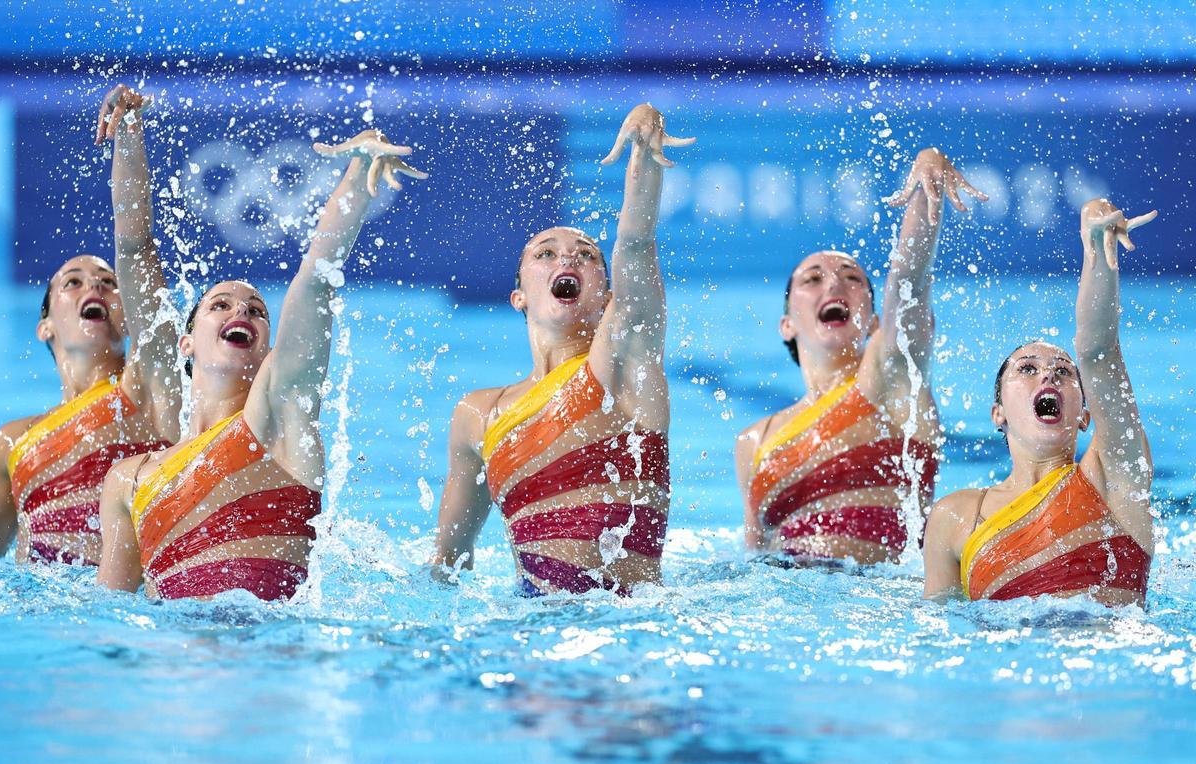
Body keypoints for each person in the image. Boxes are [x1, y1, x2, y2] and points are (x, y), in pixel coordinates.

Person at [96, 128, 425, 600]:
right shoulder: (129, 478)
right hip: (171, 662)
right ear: (186, 343)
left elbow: (317, 277)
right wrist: (127, 136)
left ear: (271, 347)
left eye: (256, 311)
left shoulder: (279, 417)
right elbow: (110, 610)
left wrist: (356, 176)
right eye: (220, 306)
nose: (241, 312)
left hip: (271, 659)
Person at [432, 103, 692, 596]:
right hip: (526, 625)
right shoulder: (478, 413)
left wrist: (643, 156)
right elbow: (447, 565)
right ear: (520, 296)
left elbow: (636, 244)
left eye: (587, 255)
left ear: (610, 298)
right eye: (545, 253)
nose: (568, 255)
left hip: (626, 626)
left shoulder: (621, 369)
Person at [735, 148, 987, 565]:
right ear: (787, 324)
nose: (833, 283)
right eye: (812, 280)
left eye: (852, 278)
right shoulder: (754, 441)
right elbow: (753, 555)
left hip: (880, 602)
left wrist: (926, 181)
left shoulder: (891, 382)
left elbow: (909, 281)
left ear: (874, 322)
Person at [922, 199, 1155, 605]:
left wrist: (1095, 239)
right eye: (1026, 369)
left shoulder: (1113, 479)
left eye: (1063, 372)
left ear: (1084, 416)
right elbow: (933, 631)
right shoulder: (956, 516)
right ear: (998, 414)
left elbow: (1099, 351)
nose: (1048, 375)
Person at [0, 84, 180, 565]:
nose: (93, 288)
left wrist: (130, 135)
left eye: (107, 282)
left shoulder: (147, 388)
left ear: (128, 318)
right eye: (71, 283)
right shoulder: (10, 444)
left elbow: (138, 246)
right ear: (45, 327)